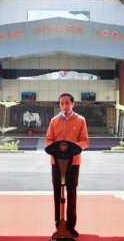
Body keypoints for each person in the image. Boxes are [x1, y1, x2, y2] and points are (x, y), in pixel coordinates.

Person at [45, 93, 89, 237]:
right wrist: (55, 149)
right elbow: (48, 141)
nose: (64, 106)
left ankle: (70, 226)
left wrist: (73, 147)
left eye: (67, 103)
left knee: (71, 193)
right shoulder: (54, 121)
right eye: (62, 103)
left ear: (73, 104)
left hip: (73, 163)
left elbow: (85, 141)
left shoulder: (80, 120)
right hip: (56, 163)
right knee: (57, 193)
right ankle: (59, 225)